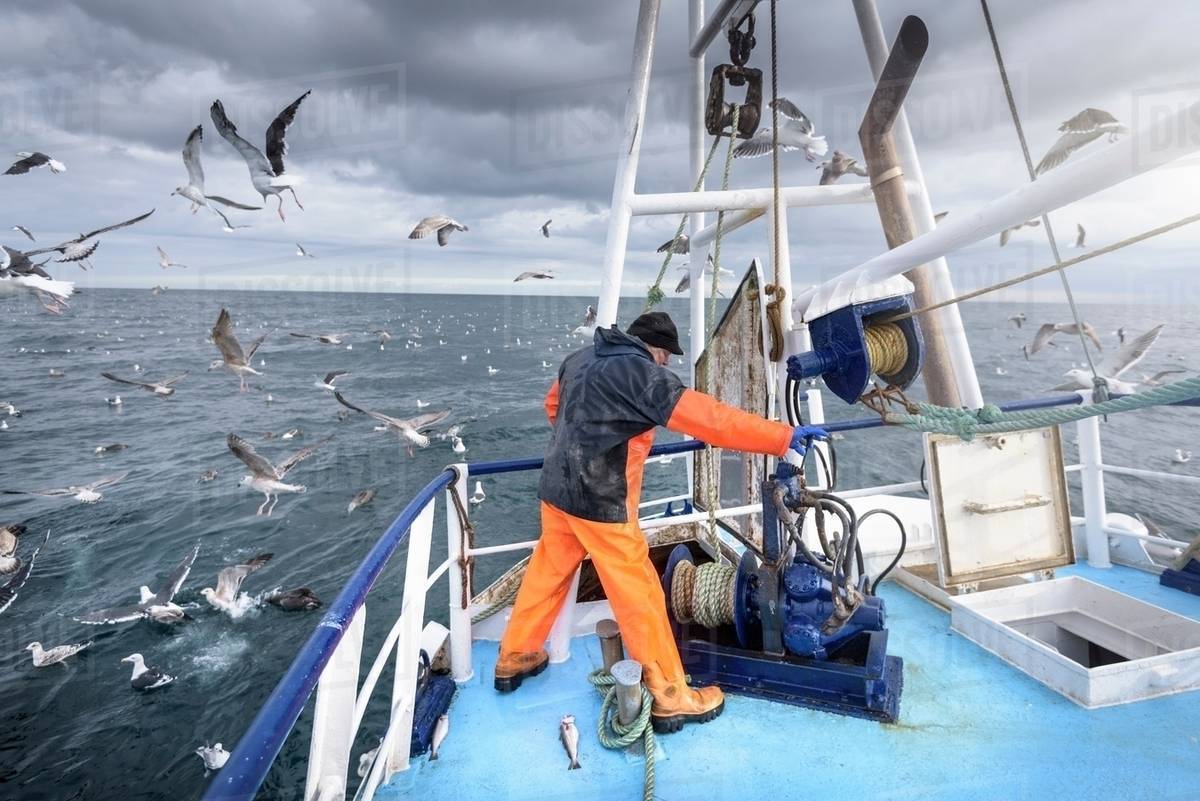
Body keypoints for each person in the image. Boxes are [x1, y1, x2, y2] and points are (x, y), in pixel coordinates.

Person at [494, 310, 827, 733]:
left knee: (547, 573)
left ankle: (515, 657)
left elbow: (553, 406)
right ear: (657, 350)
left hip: (558, 493)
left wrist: (587, 443)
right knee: (641, 596)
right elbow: (709, 419)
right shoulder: (642, 373)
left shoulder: (579, 359)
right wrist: (780, 438)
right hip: (601, 503)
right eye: (666, 359)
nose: (665, 366)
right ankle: (671, 695)